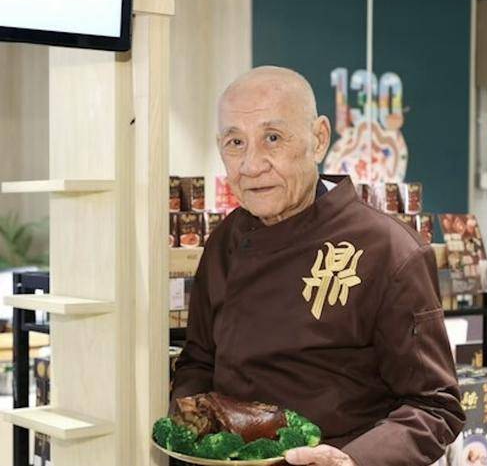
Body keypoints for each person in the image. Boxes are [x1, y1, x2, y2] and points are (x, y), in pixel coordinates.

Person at [170, 66, 464, 466]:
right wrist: (189, 428)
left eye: (273, 138)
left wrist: (352, 461)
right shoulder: (225, 240)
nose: (251, 165)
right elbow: (200, 359)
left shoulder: (389, 250)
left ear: (319, 139)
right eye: (235, 142)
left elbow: (434, 406)